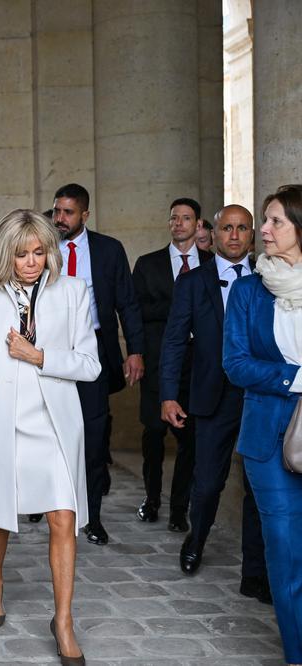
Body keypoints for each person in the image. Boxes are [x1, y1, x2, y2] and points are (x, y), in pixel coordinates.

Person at [0, 208, 98, 664]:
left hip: (53, 420)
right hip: (1, 417)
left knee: (62, 518)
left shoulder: (73, 291)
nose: (32, 262)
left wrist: (39, 356)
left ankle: (64, 619)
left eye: (39, 252)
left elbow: (90, 365)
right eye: (21, 254)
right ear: (4, 254)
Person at [159, 205, 269, 601]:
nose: (235, 236)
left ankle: (254, 573)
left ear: (252, 236)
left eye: (242, 229)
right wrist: (169, 394)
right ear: (215, 233)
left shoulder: (269, 277)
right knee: (207, 484)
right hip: (211, 397)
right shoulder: (193, 282)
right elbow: (173, 341)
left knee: (260, 487)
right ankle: (196, 540)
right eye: (227, 228)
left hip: (261, 395)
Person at [224, 184, 302, 666]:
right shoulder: (249, 292)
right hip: (268, 440)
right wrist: (293, 376)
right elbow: (235, 364)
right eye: (265, 222)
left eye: (275, 222)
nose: (264, 230)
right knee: (285, 550)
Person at [53, 183, 145, 545]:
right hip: (49, 357)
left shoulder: (108, 250)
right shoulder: (40, 246)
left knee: (93, 438)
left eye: (68, 213)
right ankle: (47, 503)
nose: (60, 219)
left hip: (93, 356)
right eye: (57, 210)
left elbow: (128, 302)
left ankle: (91, 516)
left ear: (85, 215)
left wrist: (134, 350)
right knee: (51, 434)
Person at [132, 198, 213, 532]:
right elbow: (135, 313)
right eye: (174, 218)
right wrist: (135, 353)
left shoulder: (212, 263)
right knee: (153, 433)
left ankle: (180, 508)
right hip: (158, 361)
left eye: (187, 218)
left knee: (190, 442)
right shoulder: (148, 264)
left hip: (199, 366)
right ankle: (152, 499)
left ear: (198, 225)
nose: (179, 223)